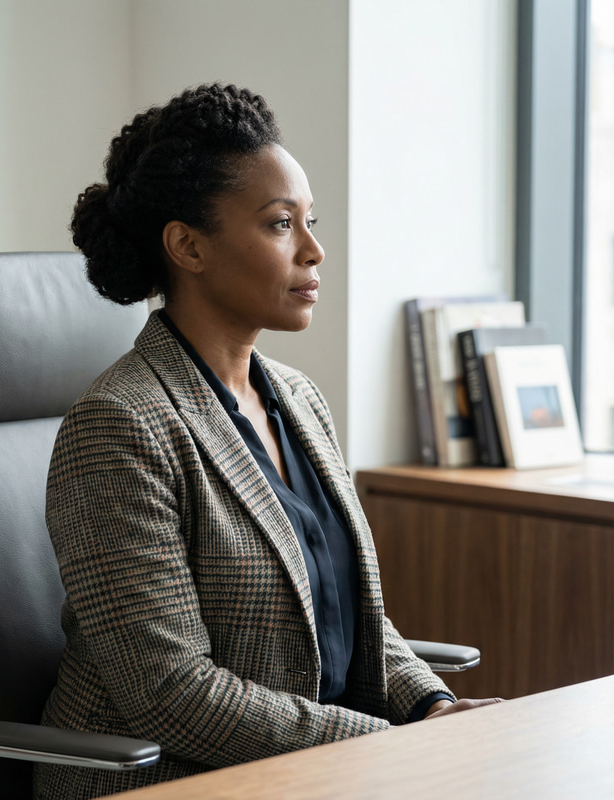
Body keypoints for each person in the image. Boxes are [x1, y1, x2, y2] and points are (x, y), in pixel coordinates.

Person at [34, 83, 499, 800]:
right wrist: (395, 746)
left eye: (310, 221)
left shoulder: (300, 399)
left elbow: (357, 619)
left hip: (320, 765)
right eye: (282, 225)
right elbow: (171, 693)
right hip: (165, 778)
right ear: (187, 245)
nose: (314, 249)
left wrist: (431, 707)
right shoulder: (119, 426)